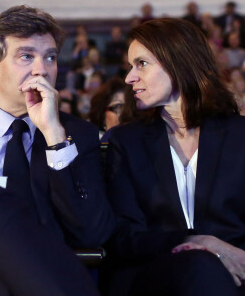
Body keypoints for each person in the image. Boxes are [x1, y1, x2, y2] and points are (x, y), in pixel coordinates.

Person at [0, 5, 114, 295]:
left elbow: (92, 233)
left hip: (26, 276)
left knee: (2, 284)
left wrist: (53, 135)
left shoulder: (76, 135)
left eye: (50, 57)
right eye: (26, 56)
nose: (42, 69)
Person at [102, 18, 245, 296]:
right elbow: (124, 238)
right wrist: (198, 242)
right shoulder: (127, 142)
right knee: (199, 267)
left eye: (141, 64)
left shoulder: (240, 136)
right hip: (157, 275)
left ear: (179, 62)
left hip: (237, 276)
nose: (130, 77)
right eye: (130, 66)